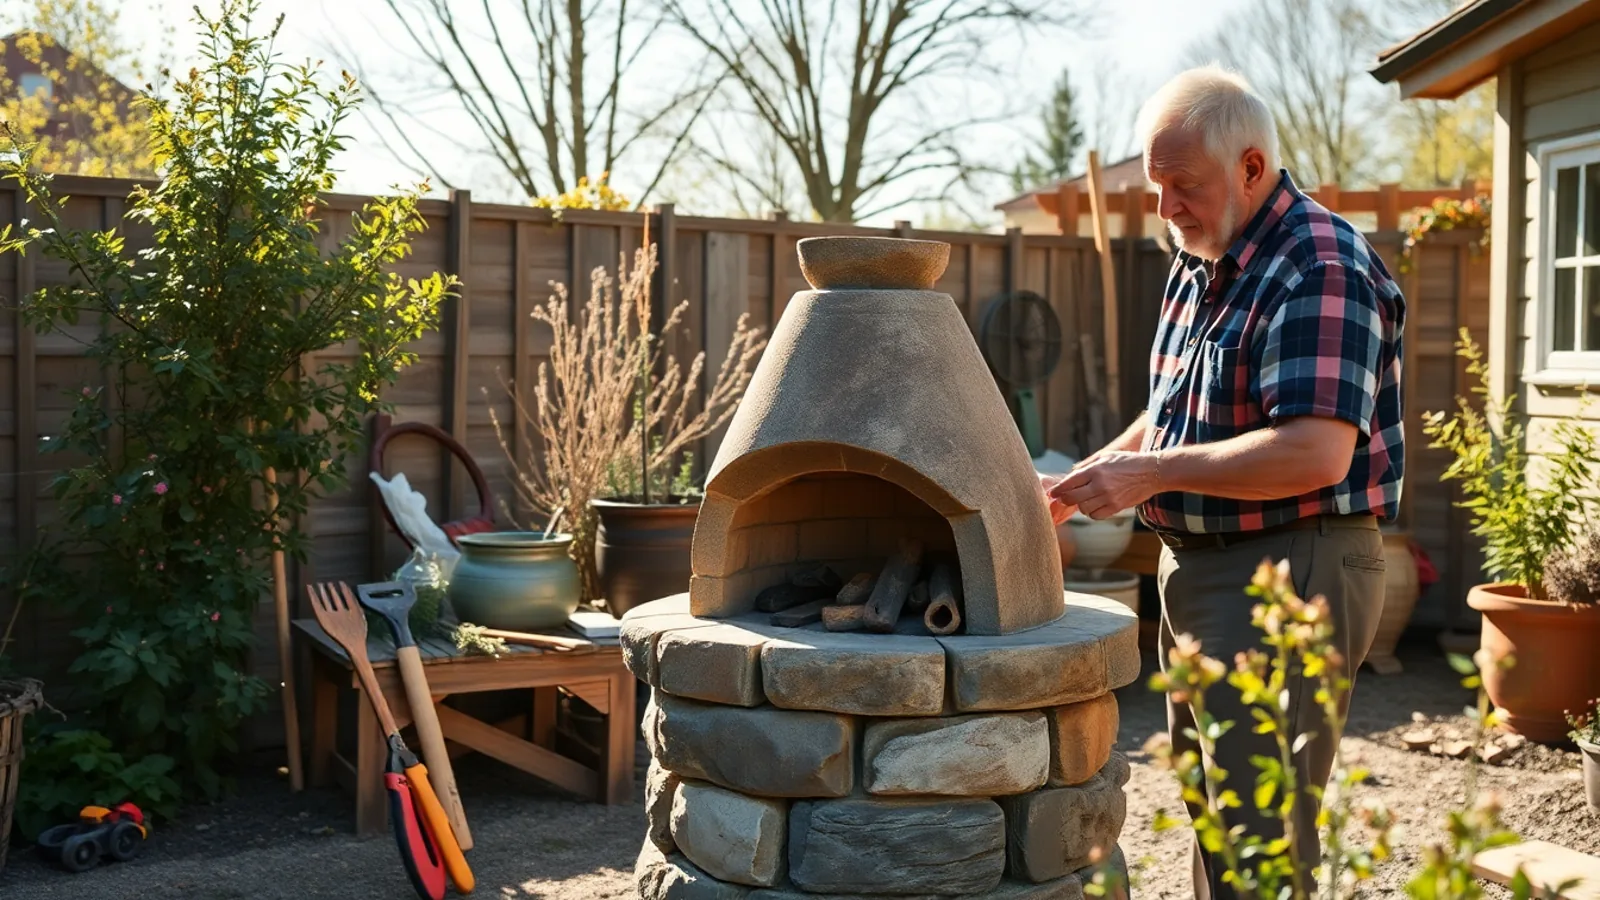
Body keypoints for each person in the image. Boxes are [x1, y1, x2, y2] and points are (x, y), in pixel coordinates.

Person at [1041, 65, 1406, 899]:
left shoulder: (1319, 264)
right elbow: (1173, 413)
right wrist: (1081, 481)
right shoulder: (1203, 254)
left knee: (1259, 842)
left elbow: (1315, 452)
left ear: (1250, 168)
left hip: (1290, 568)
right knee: (1216, 818)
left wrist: (1150, 474)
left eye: (1183, 185)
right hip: (1203, 567)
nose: (1165, 206)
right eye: (1155, 186)